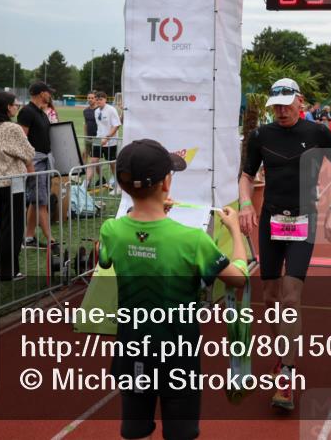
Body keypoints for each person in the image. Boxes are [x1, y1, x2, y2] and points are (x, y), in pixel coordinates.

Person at [99, 139, 247, 440]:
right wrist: (234, 231)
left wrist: (151, 213)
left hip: (132, 351)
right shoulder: (192, 240)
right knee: (181, 432)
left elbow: (110, 255)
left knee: (134, 430)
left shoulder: (111, 230)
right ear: (167, 183)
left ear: (122, 185)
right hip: (178, 356)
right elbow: (238, 277)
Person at [238, 77, 331, 411]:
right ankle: (281, 354)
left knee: (291, 295)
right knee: (271, 297)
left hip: (305, 220)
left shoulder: (318, 133)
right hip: (272, 222)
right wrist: (246, 203)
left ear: (300, 102)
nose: (282, 111)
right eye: (276, 106)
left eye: (288, 104)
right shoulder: (260, 136)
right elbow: (246, 175)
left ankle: (286, 373)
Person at [0, 92, 35, 281]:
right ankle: (7, 270)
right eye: (15, 105)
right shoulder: (12, 128)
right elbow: (29, 151)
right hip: (11, 182)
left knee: (2, 226)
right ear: (7, 107)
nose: (16, 108)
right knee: (13, 228)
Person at [18, 82, 55, 250]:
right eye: (48, 92)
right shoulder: (27, 111)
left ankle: (29, 237)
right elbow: (22, 139)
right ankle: (50, 240)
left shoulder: (41, 112)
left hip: (44, 160)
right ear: (42, 93)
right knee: (41, 202)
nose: (50, 96)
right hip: (35, 162)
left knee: (35, 201)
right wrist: (29, 164)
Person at [92, 90, 122, 190]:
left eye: (100, 99)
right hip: (98, 138)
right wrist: (99, 138)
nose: (98, 101)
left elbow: (116, 125)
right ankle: (101, 179)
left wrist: (107, 137)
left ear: (105, 99)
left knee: (112, 163)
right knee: (94, 161)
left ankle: (118, 184)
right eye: (97, 99)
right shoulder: (96, 111)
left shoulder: (111, 110)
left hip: (110, 141)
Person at [82, 95, 97, 159]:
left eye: (92, 98)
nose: (90, 99)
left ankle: (96, 169)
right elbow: (86, 124)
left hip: (97, 137)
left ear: (95, 99)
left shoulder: (99, 110)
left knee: (95, 157)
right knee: (85, 154)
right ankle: (83, 169)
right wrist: (85, 136)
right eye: (89, 98)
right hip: (88, 136)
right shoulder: (85, 110)